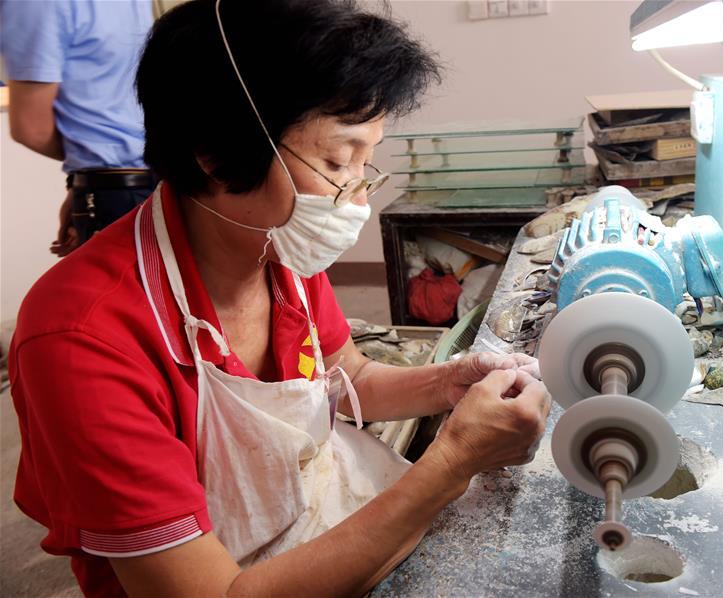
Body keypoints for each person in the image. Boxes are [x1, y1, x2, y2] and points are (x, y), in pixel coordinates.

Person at [8, 1, 551, 596]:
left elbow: (350, 379)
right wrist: (452, 462)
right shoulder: (83, 338)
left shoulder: (276, 247)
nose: (356, 195)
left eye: (367, 162)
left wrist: (451, 382)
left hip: (312, 517)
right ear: (215, 155)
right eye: (338, 161)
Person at [1, 0, 155, 256]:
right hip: (141, 184)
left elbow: (31, 128)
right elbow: (33, 127)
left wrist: (93, 173)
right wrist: (91, 176)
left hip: (137, 186)